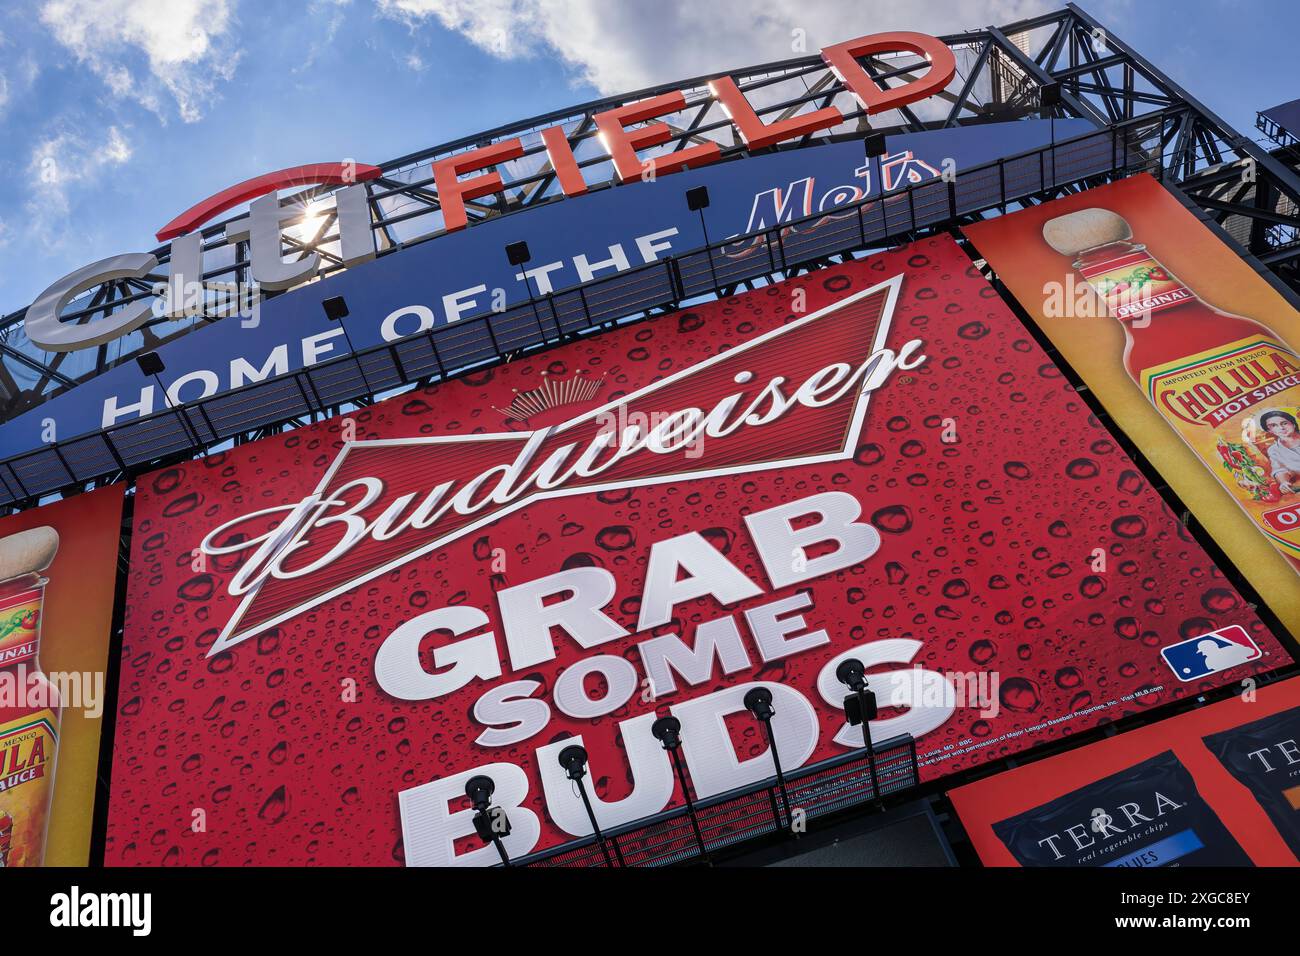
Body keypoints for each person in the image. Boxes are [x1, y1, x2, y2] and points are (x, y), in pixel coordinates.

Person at [1260, 408, 1300, 494]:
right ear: (1269, 431)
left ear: (1293, 423)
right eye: (1274, 425)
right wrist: (1284, 482)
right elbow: (1279, 470)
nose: (1281, 428)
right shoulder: (1274, 450)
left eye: (1284, 423)